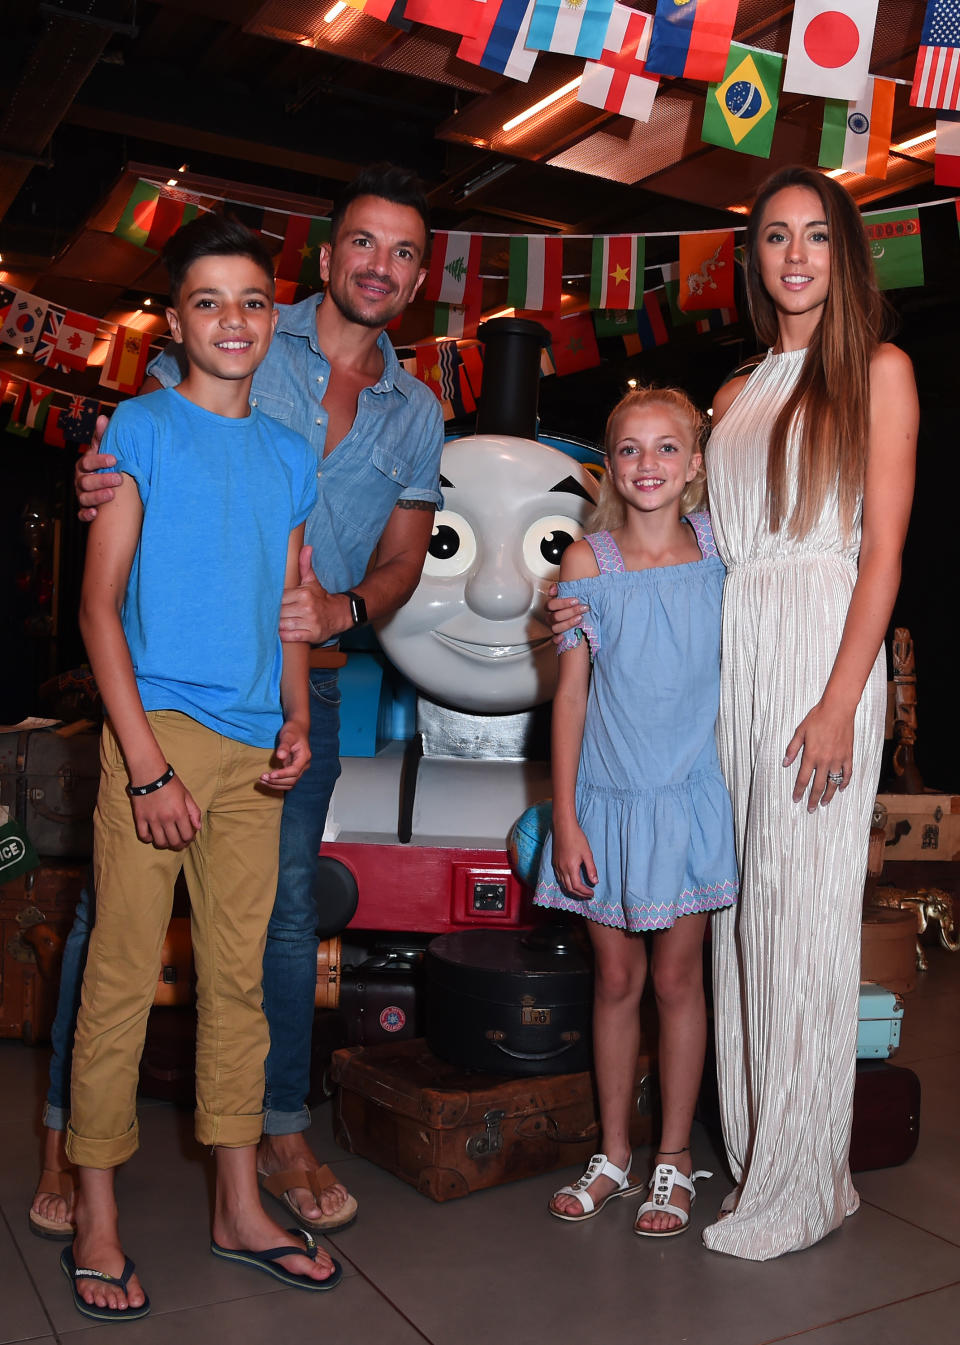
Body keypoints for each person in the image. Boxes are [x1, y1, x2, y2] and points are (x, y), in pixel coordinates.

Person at [30, 165, 444, 1243]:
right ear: (327, 256)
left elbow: (355, 572)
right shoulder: (183, 390)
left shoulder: (399, 415)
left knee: (265, 948)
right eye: (365, 242)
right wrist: (147, 762)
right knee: (113, 948)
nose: (381, 266)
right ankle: (80, 1164)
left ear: (422, 273)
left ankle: (250, 1174)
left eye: (404, 252)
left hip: (280, 708)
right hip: (161, 719)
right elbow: (109, 577)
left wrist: (313, 674)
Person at [63, 214, 341, 1321]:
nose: (234, 320)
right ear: (174, 322)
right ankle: (95, 1208)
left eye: (253, 301)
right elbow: (96, 609)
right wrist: (141, 769)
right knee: (122, 978)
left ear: (274, 318)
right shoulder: (139, 432)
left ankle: (238, 1201)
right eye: (210, 302)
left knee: (240, 984)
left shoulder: (288, 451)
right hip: (157, 739)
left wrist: (294, 719)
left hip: (252, 755)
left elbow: (292, 600)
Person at [698, 166, 918, 1260]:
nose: (795, 255)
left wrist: (840, 701)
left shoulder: (878, 372)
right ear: (755, 258)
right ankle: (763, 1162)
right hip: (737, 663)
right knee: (742, 922)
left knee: (805, 919)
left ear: (848, 253)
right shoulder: (736, 394)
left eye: (817, 236)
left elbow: (883, 554)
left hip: (822, 657)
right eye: (776, 236)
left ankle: (802, 1178)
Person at [535, 386, 738, 1237]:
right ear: (608, 465)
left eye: (667, 448)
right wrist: (568, 816)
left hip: (686, 800)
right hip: (608, 805)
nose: (648, 465)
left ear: (695, 464)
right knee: (615, 980)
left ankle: (673, 1158)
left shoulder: (721, 551)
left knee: (677, 980)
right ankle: (614, 1153)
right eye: (630, 449)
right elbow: (571, 696)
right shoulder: (588, 563)